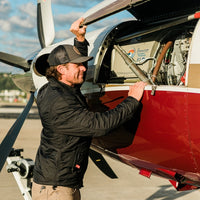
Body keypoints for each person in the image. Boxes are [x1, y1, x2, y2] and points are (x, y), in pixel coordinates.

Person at [32, 17, 147, 200]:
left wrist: (79, 39)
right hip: (55, 189)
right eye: (78, 65)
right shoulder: (59, 103)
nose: (84, 69)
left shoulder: (60, 85)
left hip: (62, 182)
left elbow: (78, 70)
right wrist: (132, 100)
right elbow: (100, 125)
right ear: (61, 69)